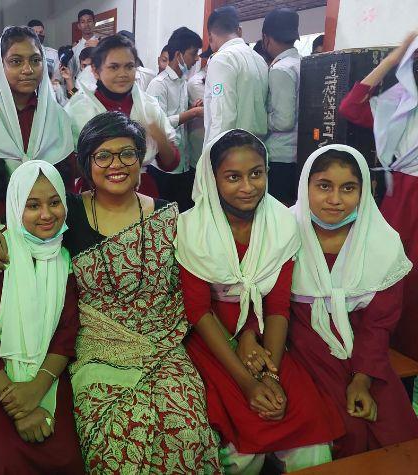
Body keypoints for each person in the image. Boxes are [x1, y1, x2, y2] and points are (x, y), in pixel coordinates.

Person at [0, 112, 221, 473]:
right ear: (87, 164)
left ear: (141, 159)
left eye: (127, 154)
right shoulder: (66, 211)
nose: (115, 165)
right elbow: (18, 220)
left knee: (187, 431)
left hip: (163, 350)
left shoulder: (169, 216)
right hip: (95, 352)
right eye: (102, 156)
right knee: (115, 444)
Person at [176, 129, 343, 474]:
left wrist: (271, 372)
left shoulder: (281, 224)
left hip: (268, 336)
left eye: (256, 173)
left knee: (310, 441)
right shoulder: (191, 229)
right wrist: (249, 381)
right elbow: (198, 311)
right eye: (233, 177)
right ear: (212, 178)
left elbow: (279, 305)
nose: (248, 187)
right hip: (212, 339)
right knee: (241, 449)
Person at [0, 160, 84, 473]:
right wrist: (19, 406)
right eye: (32, 205)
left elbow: (66, 334)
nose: (46, 215)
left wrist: (36, 390)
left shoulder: (63, 256)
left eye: (54, 203)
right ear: (15, 205)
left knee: (68, 458)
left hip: (43, 377)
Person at [286, 144, 418, 458]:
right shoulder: (283, 233)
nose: (335, 199)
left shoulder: (381, 243)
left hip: (365, 352)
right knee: (345, 428)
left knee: (394, 431)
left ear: (365, 190)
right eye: (323, 186)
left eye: (348, 188)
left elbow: (378, 324)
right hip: (301, 349)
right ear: (306, 186)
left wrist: (362, 377)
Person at [337, 32, 418, 365]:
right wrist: (394, 57)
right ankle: (387, 353)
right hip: (404, 200)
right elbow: (350, 106)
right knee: (393, 275)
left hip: (403, 199)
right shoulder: (401, 103)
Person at [0, 26, 75, 220]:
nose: (28, 70)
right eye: (16, 62)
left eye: (35, 61)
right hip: (0, 229)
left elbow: (67, 179)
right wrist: (13, 226)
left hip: (52, 223)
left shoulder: (57, 117)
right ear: (0, 66)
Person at [64, 34, 179, 197]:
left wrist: (159, 136)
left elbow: (170, 163)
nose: (123, 73)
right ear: (95, 71)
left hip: (141, 192)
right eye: (114, 67)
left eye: (129, 66)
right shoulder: (78, 109)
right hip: (94, 195)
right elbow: (68, 168)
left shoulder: (148, 106)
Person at [146, 27, 204, 210]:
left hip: (184, 162)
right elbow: (157, 124)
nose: (196, 59)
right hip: (164, 166)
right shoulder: (158, 85)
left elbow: (177, 114)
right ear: (178, 55)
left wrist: (191, 109)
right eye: (193, 54)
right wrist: (192, 114)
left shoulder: (182, 82)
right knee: (164, 217)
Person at [204, 6, 268, 145]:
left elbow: (222, 118)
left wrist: (211, 157)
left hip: (232, 150)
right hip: (258, 146)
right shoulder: (259, 59)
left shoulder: (222, 59)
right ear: (239, 31)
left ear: (210, 38)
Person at [262, 8, 302, 205]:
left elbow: (283, 120)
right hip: (297, 153)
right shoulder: (301, 62)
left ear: (266, 38)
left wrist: (259, 118)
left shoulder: (281, 69)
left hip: (280, 156)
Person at [72, 9, 99, 74]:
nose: (86, 24)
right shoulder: (74, 49)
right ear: (79, 26)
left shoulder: (103, 45)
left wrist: (99, 46)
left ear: (94, 23)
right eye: (83, 22)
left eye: (89, 21)